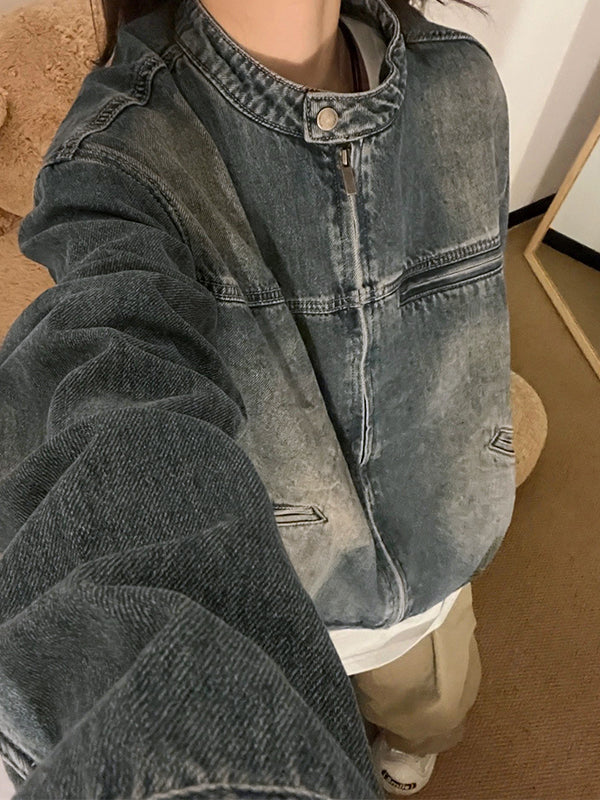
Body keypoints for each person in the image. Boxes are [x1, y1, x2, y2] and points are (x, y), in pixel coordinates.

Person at [0, 0, 515, 797]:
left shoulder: (463, 80)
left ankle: (414, 743)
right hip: (275, 587)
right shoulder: (118, 158)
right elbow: (108, 389)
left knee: (434, 709)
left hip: (439, 561)